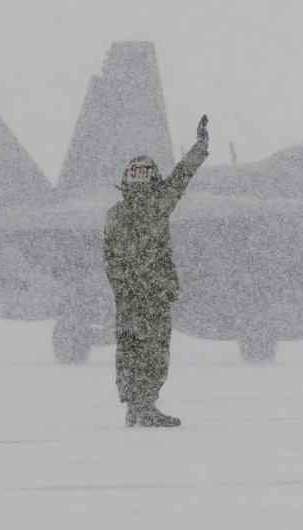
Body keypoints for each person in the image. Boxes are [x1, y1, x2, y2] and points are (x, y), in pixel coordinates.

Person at [103, 115, 209, 427]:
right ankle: (141, 405)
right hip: (141, 295)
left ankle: (139, 405)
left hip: (150, 294)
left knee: (144, 349)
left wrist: (200, 147)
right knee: (140, 349)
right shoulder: (133, 210)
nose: (139, 177)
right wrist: (124, 289)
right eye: (135, 172)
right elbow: (110, 257)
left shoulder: (152, 205)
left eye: (143, 172)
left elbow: (182, 175)